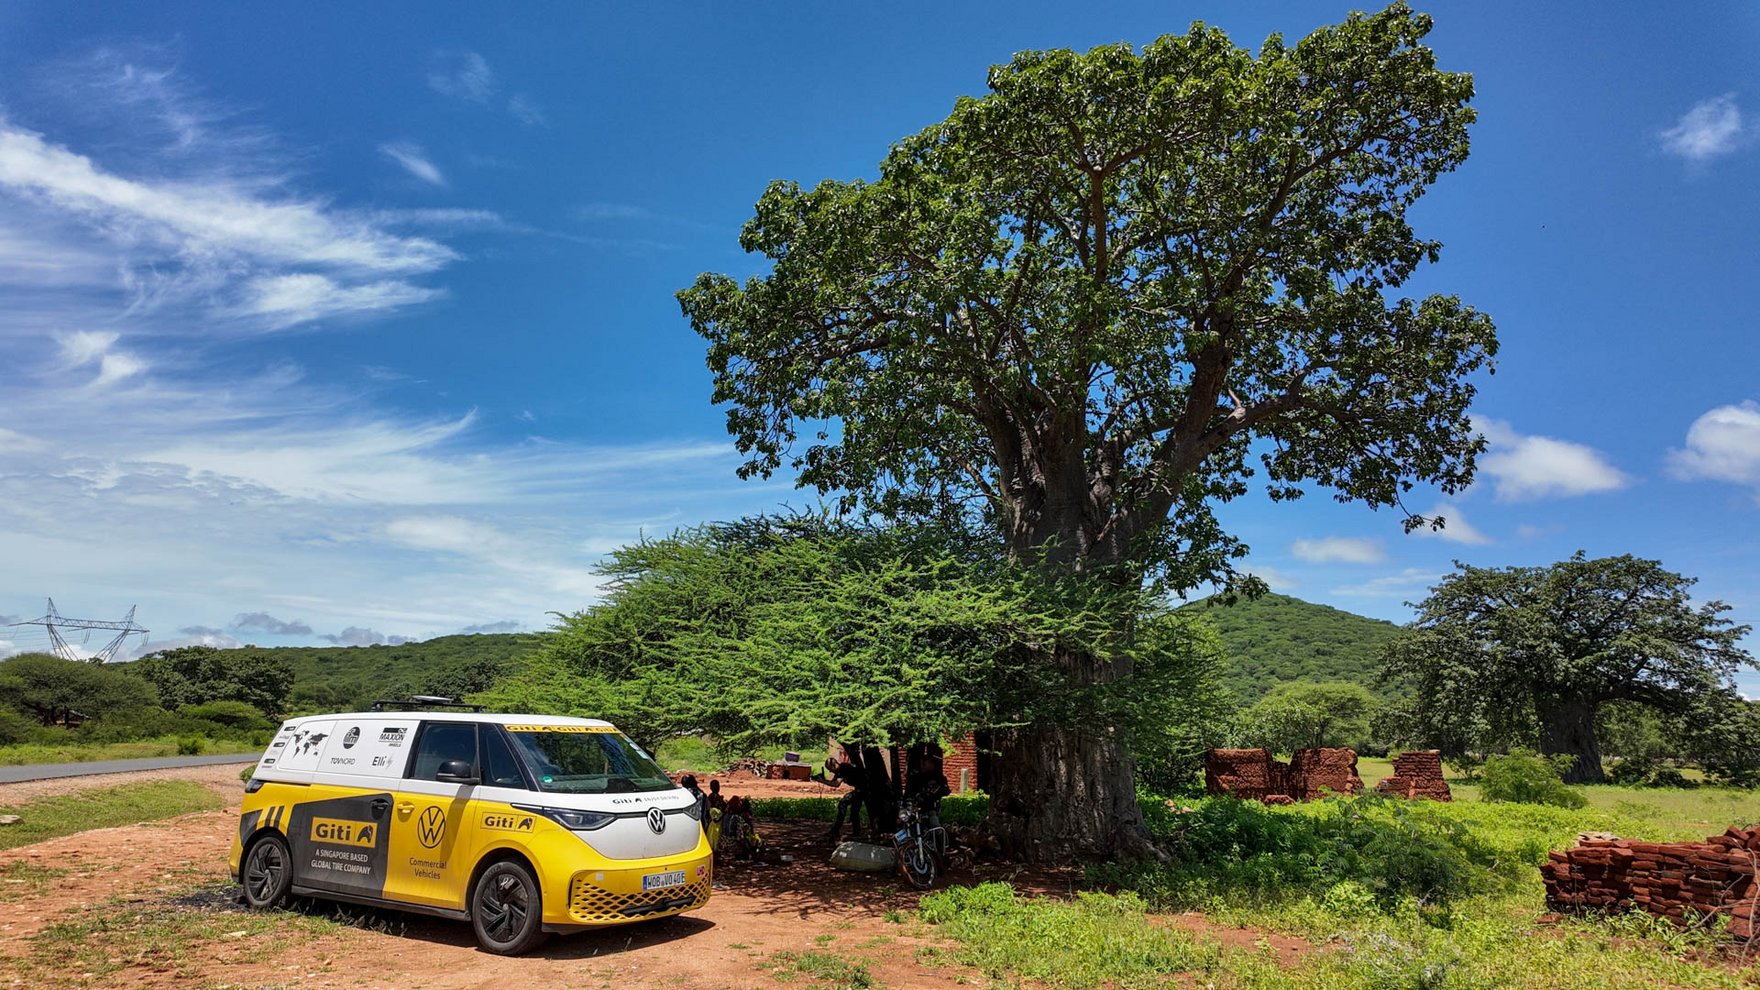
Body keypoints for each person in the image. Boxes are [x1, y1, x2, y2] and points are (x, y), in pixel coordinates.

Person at [904, 752, 951, 855]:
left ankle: (943, 851)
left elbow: (946, 790)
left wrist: (935, 792)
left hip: (930, 809)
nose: (924, 766)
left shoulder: (938, 777)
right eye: (923, 763)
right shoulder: (915, 777)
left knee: (936, 827)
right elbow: (908, 793)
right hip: (915, 810)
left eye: (927, 763)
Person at [821, 756, 871, 844]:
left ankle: (836, 830)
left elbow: (836, 784)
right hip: (860, 789)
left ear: (834, 765)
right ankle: (856, 833)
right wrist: (822, 779)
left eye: (830, 769)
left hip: (864, 788)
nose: (830, 771)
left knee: (843, 803)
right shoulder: (839, 771)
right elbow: (833, 782)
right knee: (854, 811)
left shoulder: (843, 768)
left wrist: (822, 781)